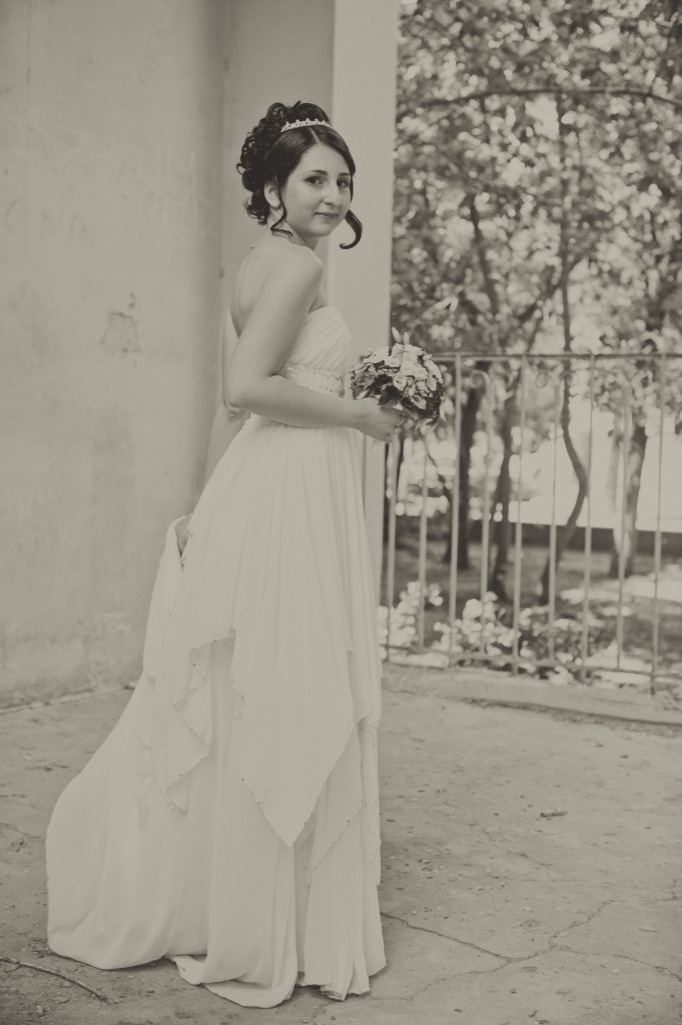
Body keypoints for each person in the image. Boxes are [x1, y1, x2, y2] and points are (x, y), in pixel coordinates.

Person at [46, 100, 403, 1008]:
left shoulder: (250, 268)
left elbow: (225, 406)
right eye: (315, 178)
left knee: (257, 678)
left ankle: (233, 895)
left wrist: (206, 509)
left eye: (344, 180)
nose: (334, 195)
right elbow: (250, 387)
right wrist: (360, 414)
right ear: (275, 188)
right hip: (291, 488)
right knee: (289, 673)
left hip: (259, 482)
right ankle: (270, 914)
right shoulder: (300, 268)